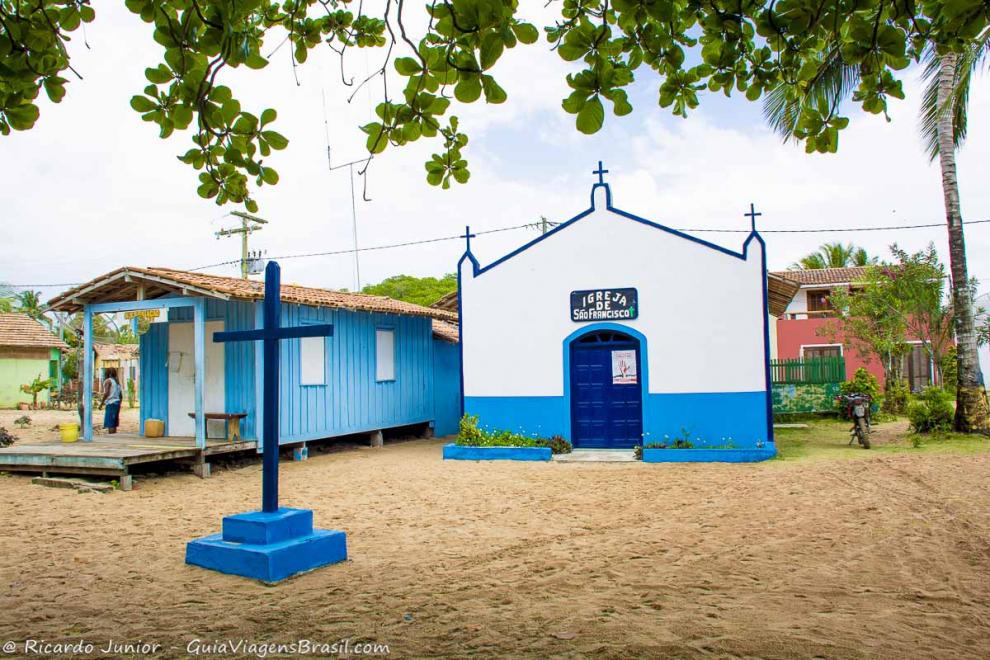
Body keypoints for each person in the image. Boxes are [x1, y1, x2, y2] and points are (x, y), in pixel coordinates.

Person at [99, 367, 123, 434]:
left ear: (108, 374)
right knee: (114, 423)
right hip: (117, 403)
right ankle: (114, 437)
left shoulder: (108, 381)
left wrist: (101, 404)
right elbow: (121, 396)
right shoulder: (117, 382)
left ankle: (111, 437)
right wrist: (119, 404)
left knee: (110, 424)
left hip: (111, 403)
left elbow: (106, 393)